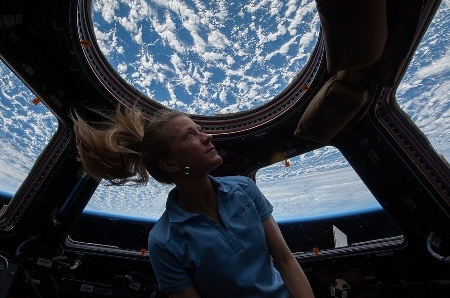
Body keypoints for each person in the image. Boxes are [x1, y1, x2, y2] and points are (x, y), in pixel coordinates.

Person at [72, 104, 315, 298]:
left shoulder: (245, 188)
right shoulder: (164, 241)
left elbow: (284, 260)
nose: (207, 136)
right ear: (170, 164)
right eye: (191, 134)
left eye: (199, 129)